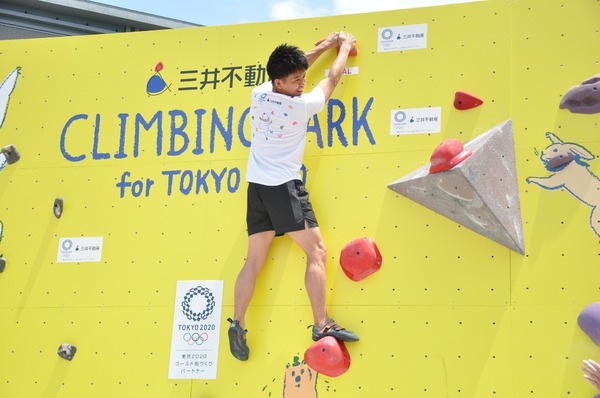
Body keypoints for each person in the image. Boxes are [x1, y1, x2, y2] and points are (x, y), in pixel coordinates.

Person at [227, 32, 359, 361]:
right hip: (285, 187)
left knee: (252, 262)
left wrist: (323, 46)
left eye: (303, 78)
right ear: (280, 81)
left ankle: (238, 323)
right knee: (317, 251)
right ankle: (321, 323)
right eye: (297, 80)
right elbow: (332, 76)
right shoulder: (302, 107)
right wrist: (342, 47)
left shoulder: (258, 94)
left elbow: (303, 62)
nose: (302, 83)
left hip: (256, 188)